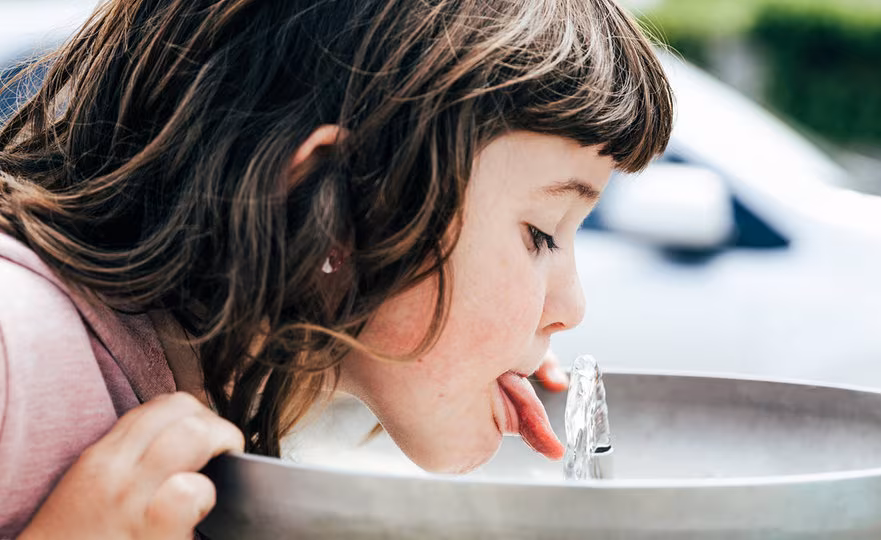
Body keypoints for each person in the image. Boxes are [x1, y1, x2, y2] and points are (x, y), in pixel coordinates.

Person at [0, 0, 673, 537]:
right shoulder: (17, 351)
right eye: (541, 234)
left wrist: (452, 346)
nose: (572, 307)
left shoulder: (230, 367)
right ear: (335, 210)